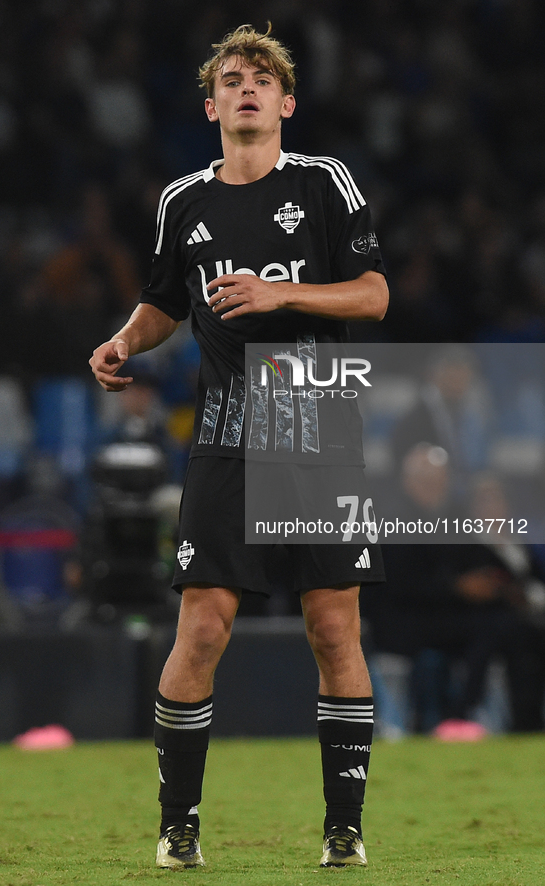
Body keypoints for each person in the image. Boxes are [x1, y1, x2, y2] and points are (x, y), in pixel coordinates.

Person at [90, 23, 389, 870]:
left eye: (262, 78)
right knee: (203, 626)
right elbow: (162, 303)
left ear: (285, 103)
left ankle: (344, 828)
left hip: (321, 428)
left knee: (333, 629)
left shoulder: (325, 183)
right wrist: (122, 342)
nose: (247, 86)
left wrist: (276, 293)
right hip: (228, 433)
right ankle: (178, 825)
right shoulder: (182, 201)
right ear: (213, 103)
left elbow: (372, 297)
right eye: (232, 78)